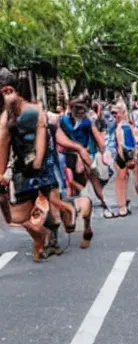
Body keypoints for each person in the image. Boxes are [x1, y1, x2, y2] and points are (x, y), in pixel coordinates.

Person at [0, 69, 87, 260]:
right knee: (22, 215)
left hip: (45, 165)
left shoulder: (34, 111)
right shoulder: (7, 118)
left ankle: (58, 229)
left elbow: (45, 135)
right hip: (27, 169)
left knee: (50, 208)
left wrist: (39, 161)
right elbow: (3, 145)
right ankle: (47, 235)